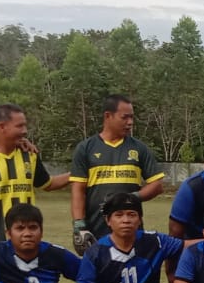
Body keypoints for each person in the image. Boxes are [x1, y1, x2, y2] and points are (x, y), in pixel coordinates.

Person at [0, 104, 71, 245]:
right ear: (2, 127)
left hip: (27, 244)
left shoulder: (30, 155)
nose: (25, 131)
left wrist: (77, 174)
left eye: (25, 126)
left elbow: (48, 184)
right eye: (19, 126)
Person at [68, 94, 164, 253]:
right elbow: (78, 190)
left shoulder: (139, 149)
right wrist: (79, 225)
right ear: (108, 116)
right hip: (96, 231)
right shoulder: (86, 148)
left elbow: (157, 185)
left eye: (132, 117)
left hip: (132, 231)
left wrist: (132, 198)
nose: (130, 122)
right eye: (125, 117)